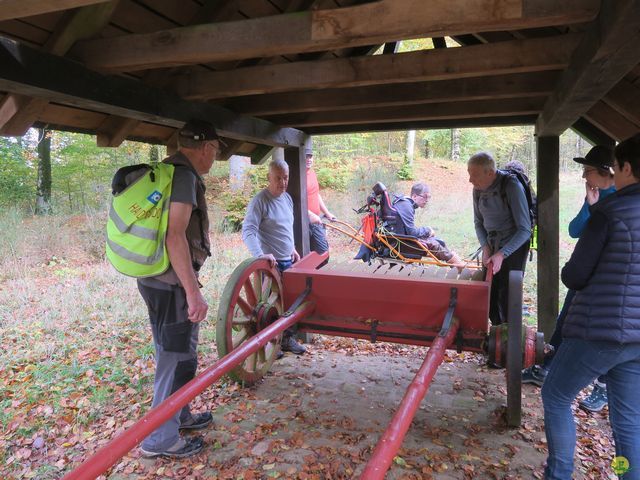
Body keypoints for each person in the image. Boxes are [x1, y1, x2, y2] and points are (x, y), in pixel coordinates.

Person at [541, 133, 640, 480]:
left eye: (616, 166)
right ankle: (627, 474)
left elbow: (575, 275)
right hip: (637, 340)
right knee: (627, 421)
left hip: (599, 330)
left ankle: (559, 474)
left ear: (625, 167)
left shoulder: (609, 213)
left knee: (555, 396)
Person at [137, 119, 220, 458]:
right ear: (206, 148)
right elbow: (175, 235)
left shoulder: (165, 171)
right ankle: (159, 440)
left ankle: (180, 415)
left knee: (181, 354)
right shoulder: (183, 177)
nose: (214, 158)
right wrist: (192, 291)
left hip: (154, 278)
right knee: (172, 359)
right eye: (215, 151)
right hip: (171, 285)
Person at [522, 146, 615, 414]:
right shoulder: (596, 194)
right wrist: (589, 205)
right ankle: (546, 368)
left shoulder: (621, 198)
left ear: (605, 172)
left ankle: (603, 387)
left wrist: (596, 209)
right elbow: (575, 230)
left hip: (607, 279)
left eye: (587, 171)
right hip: (585, 272)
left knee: (606, 332)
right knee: (566, 319)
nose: (584, 176)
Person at [242, 159, 306, 355]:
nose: (282, 182)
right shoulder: (260, 201)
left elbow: (286, 228)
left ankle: (286, 340)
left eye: (285, 177)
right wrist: (261, 256)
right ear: (268, 177)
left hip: (288, 260)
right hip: (271, 265)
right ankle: (271, 343)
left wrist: (292, 247)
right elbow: (248, 231)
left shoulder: (286, 199)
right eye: (278, 178)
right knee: (269, 307)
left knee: (288, 304)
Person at [468, 152, 531, 326]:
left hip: (513, 248)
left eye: (474, 175)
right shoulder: (478, 189)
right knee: (490, 295)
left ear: (490, 173)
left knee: (508, 298)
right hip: (492, 246)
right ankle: (497, 338)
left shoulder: (511, 186)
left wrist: (502, 254)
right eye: (469, 173)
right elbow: (478, 222)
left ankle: (509, 341)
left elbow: (525, 230)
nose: (470, 180)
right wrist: (486, 247)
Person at [391, 182, 464, 268]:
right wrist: (427, 230)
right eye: (424, 197)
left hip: (400, 240)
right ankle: (460, 267)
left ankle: (455, 264)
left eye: (429, 197)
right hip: (399, 244)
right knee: (434, 244)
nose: (427, 200)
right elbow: (412, 232)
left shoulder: (405, 204)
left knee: (438, 241)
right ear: (414, 196)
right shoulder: (406, 205)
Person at [306, 148, 336, 254]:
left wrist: (327, 213)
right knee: (323, 252)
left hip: (317, 219)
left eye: (310, 156)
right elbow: (296, 201)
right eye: (306, 157)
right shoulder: (298, 176)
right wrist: (310, 215)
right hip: (306, 222)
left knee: (317, 253)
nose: (309, 159)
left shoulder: (312, 173)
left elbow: (316, 194)